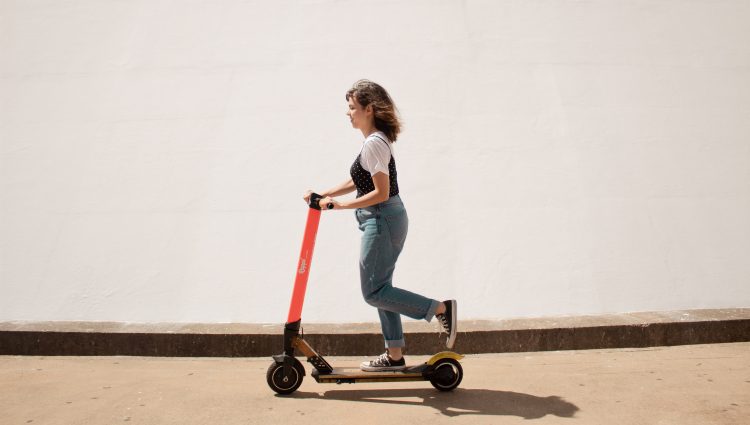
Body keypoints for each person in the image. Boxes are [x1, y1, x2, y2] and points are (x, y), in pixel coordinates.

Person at [303, 79, 457, 372]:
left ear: (368, 109)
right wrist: (326, 194)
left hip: (382, 217)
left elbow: (380, 192)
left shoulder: (374, 143)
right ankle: (395, 355)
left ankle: (439, 309)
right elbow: (358, 181)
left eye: (352, 108)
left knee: (373, 292)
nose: (348, 113)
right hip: (385, 218)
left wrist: (340, 206)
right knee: (382, 289)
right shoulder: (374, 142)